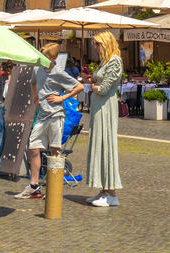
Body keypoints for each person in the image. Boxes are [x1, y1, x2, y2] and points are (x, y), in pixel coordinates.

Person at [14, 43, 83, 199]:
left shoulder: (58, 72)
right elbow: (32, 83)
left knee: (54, 151)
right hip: (42, 115)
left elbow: (79, 87)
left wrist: (62, 97)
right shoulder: (38, 69)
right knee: (33, 147)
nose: (42, 57)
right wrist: (35, 98)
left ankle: (53, 188)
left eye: (45, 55)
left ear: (54, 58)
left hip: (56, 115)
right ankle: (34, 186)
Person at [86, 30, 124, 207]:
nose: (95, 47)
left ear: (106, 44)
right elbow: (99, 84)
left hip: (105, 108)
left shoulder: (115, 61)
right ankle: (103, 190)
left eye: (97, 44)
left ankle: (112, 194)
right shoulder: (105, 61)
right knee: (99, 146)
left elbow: (104, 88)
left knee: (106, 145)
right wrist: (93, 81)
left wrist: (94, 86)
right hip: (98, 108)